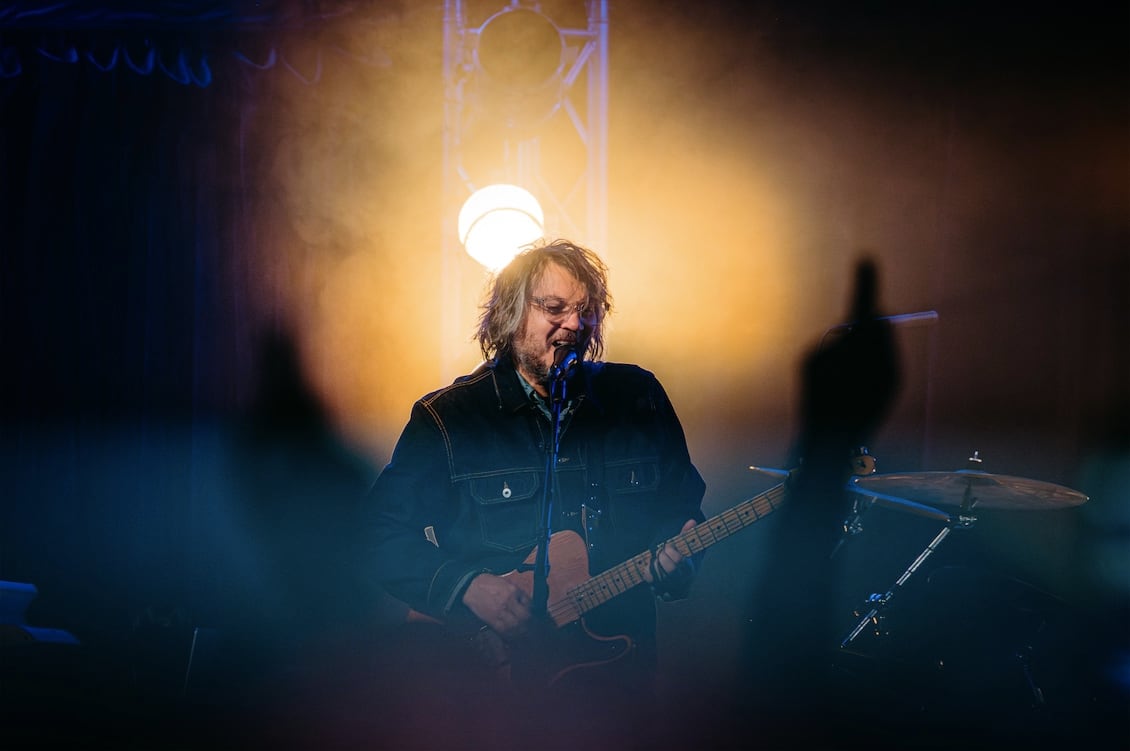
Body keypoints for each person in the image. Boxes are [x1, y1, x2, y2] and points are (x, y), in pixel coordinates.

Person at [362, 238, 705, 744]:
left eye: (586, 312)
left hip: (617, 681)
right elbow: (378, 534)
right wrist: (469, 586)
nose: (573, 324)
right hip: (492, 690)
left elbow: (679, 510)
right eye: (554, 308)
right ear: (509, 313)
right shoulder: (450, 418)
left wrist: (682, 558)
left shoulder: (638, 398)